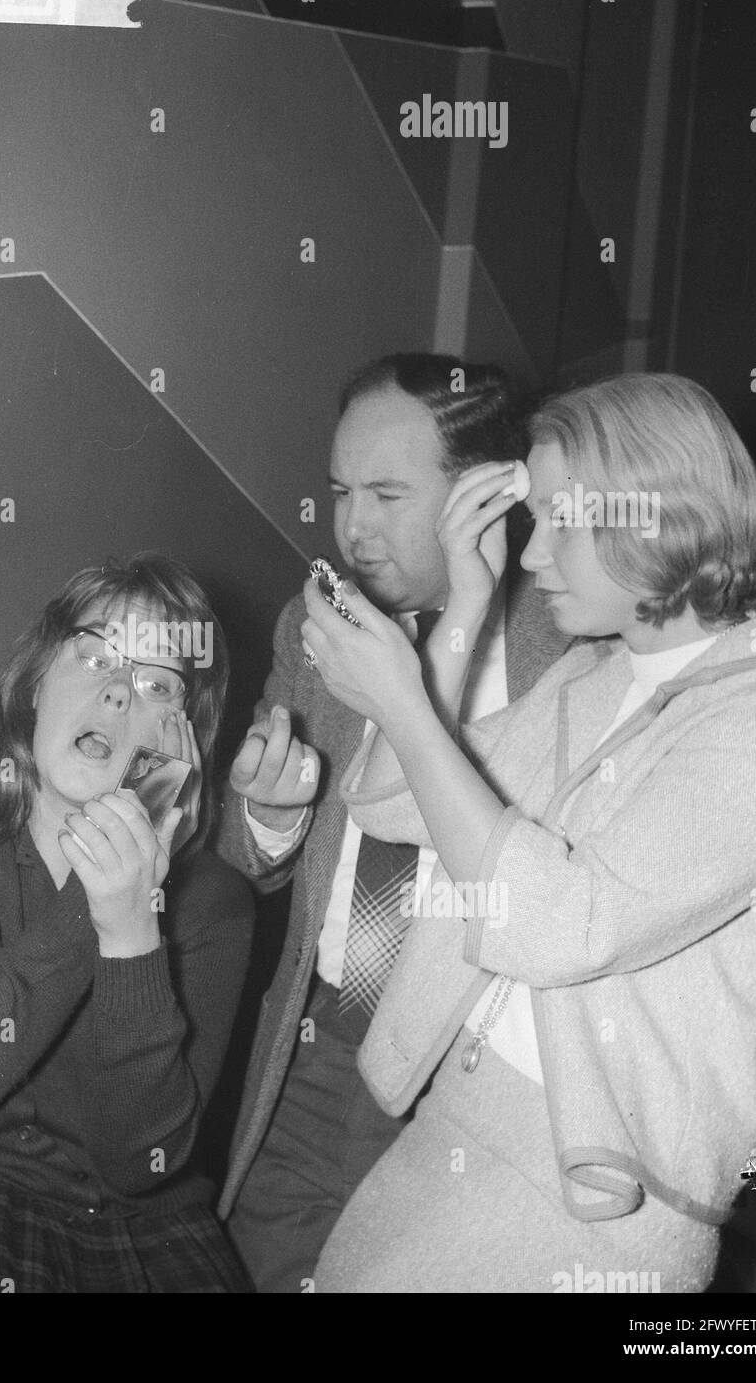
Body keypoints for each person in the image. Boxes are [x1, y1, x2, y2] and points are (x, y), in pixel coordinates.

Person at [305, 372, 756, 1291]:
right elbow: (384, 801)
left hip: (600, 1194)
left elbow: (557, 924)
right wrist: (461, 609)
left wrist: (402, 706)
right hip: (454, 1123)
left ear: (655, 514)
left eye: (562, 521)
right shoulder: (589, 678)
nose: (533, 558)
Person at [213, 353, 573, 1292]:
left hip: (487, 1067)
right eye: (339, 490)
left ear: (486, 495)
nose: (351, 527)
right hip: (324, 1041)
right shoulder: (316, 622)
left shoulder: (573, 636)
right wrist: (267, 816)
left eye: (385, 492)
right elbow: (240, 865)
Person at [0, 554, 254, 1293]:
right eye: (93, 657)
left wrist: (130, 930)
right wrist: (96, 898)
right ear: (34, 685)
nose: (118, 692)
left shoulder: (216, 903)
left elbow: (137, 1159)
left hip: (139, 1231)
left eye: (157, 683)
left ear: (182, 742)